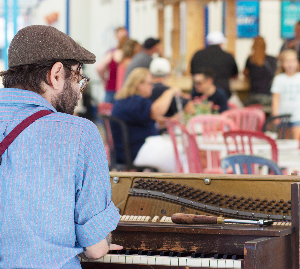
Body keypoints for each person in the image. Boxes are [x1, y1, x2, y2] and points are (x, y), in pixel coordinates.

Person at [0, 25, 122, 268]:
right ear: (56, 75)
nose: (79, 90)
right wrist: (102, 240)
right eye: (79, 78)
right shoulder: (78, 133)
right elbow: (95, 248)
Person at [111, 67, 180, 167]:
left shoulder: (124, 100)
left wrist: (171, 120)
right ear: (139, 84)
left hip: (128, 151)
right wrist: (170, 91)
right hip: (136, 152)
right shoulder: (135, 101)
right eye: (150, 84)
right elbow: (157, 111)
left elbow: (145, 122)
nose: (152, 87)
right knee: (180, 151)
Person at [190, 31, 238, 98]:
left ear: (208, 42)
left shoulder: (197, 55)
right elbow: (235, 75)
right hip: (224, 94)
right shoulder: (228, 56)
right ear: (221, 43)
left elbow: (192, 74)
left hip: (199, 95)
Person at [271, 49, 300, 139]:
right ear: (283, 63)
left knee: (297, 140)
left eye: (292, 61)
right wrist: (275, 115)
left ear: (297, 62)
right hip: (283, 115)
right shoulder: (279, 79)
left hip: (297, 115)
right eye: (287, 61)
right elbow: (276, 98)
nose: (290, 64)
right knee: (283, 141)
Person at [96, 26, 128, 103]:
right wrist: (104, 81)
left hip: (115, 88)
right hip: (114, 89)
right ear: (116, 37)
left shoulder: (112, 53)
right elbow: (99, 68)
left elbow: (99, 68)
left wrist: (104, 80)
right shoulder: (113, 53)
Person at [243, 36, 277, 107]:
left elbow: (245, 74)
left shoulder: (250, 60)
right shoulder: (272, 60)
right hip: (269, 96)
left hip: (254, 96)